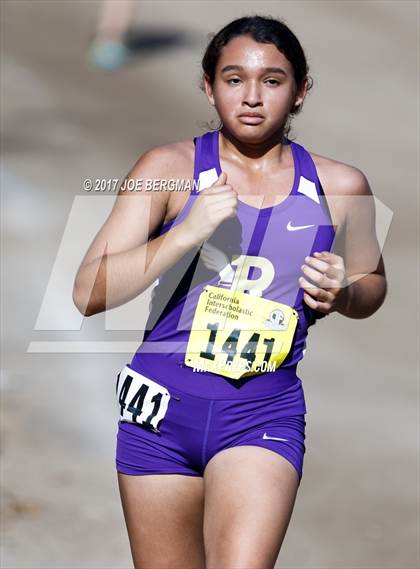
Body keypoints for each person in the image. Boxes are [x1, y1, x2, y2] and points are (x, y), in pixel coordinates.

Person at [73, 15, 387, 569]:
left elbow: (371, 286)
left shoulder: (342, 186)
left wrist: (344, 293)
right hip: (160, 415)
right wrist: (184, 235)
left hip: (261, 412)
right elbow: (88, 292)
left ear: (300, 91)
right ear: (208, 85)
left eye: (272, 81)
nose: (251, 97)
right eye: (233, 78)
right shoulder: (167, 169)